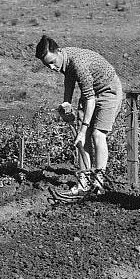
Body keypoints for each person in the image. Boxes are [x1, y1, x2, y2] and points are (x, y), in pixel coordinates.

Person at [35, 34, 123, 199]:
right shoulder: (65, 60)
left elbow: (90, 100)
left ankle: (98, 183)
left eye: (53, 63)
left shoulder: (78, 63)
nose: (52, 68)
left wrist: (83, 130)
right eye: (48, 66)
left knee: (97, 134)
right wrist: (66, 103)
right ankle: (83, 183)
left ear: (59, 52)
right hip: (91, 91)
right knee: (82, 140)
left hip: (108, 90)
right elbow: (69, 79)